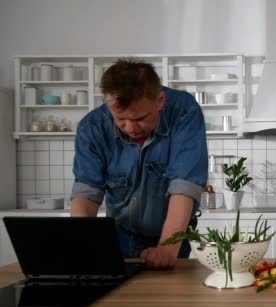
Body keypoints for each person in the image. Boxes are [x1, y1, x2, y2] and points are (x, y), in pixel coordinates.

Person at [70, 58, 207, 269]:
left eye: (140, 118)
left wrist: (167, 248)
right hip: (118, 234)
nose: (130, 128)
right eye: (121, 119)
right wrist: (82, 245)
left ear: (160, 101)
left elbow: (184, 185)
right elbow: (86, 194)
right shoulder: (91, 127)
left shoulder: (184, 111)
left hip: (173, 233)